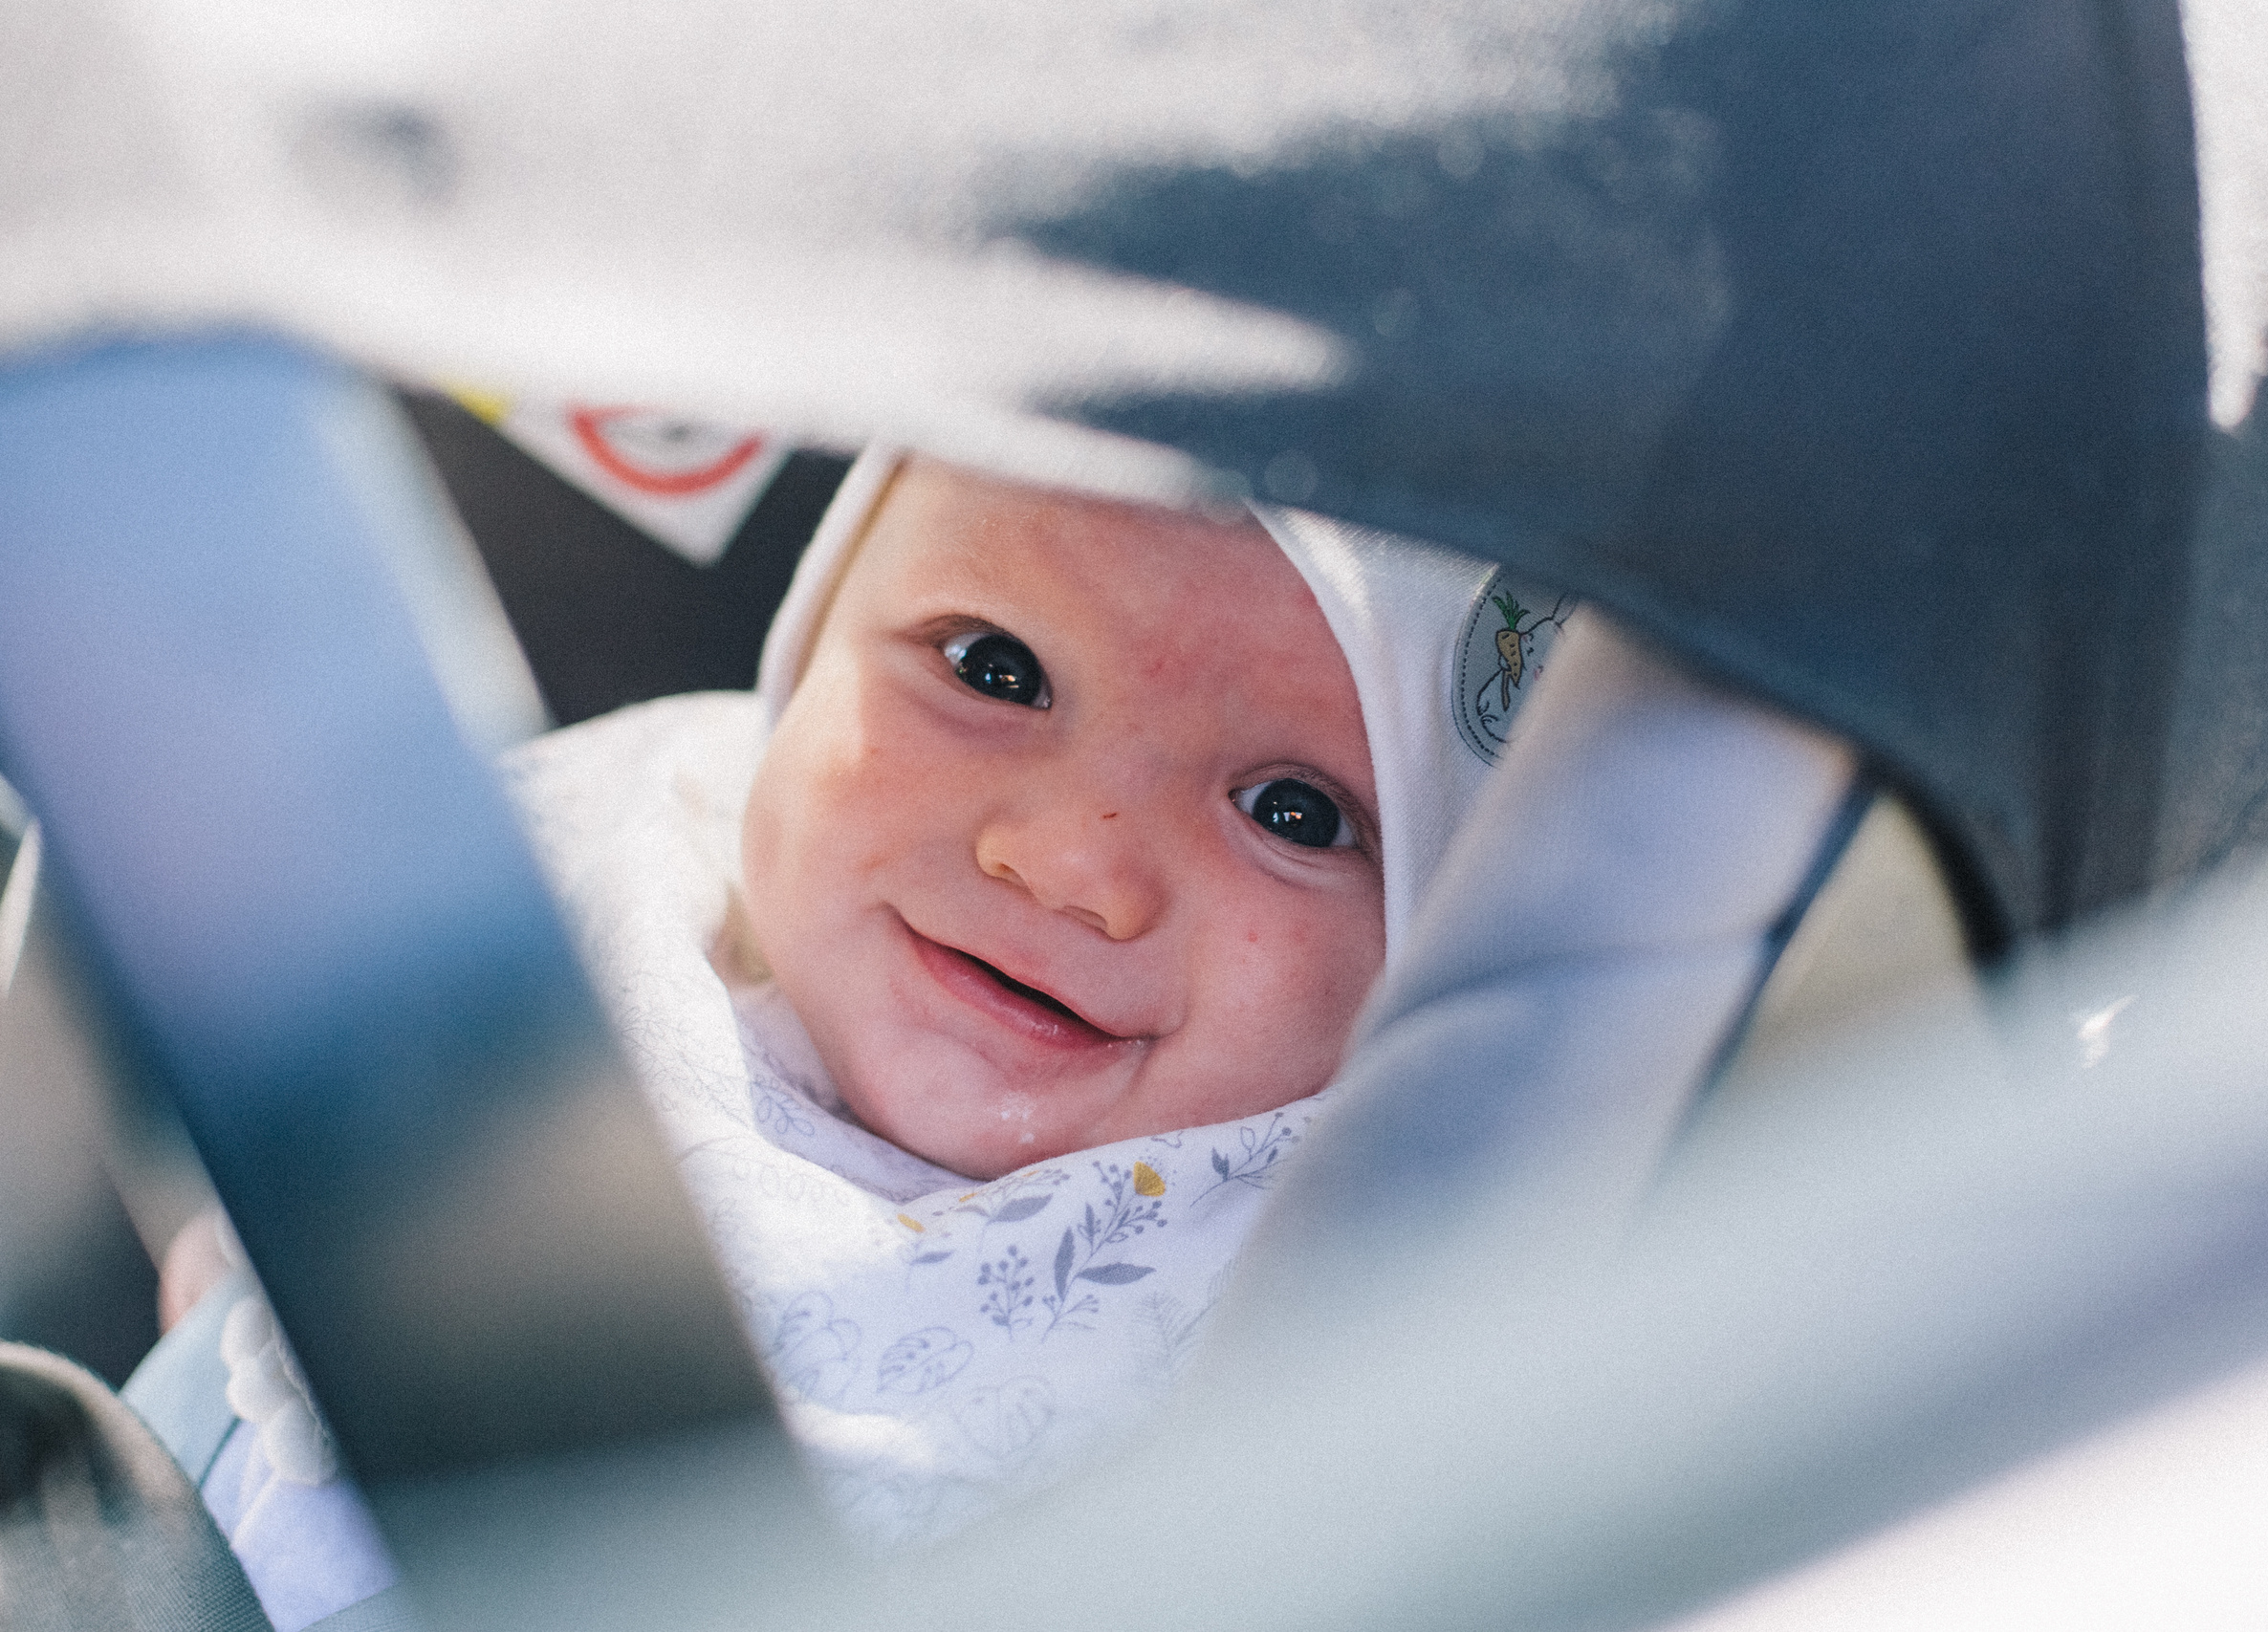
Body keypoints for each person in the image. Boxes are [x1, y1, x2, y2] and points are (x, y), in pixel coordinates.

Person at [127, 445, 1555, 1624]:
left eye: (1292, 814)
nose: (1065, 865)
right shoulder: (618, 855)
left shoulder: (1329, 1304)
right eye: (993, 668)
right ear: (806, 658)